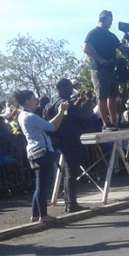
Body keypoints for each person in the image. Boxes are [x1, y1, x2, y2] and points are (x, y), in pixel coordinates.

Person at [14, 90, 68, 223]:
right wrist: (61, 112)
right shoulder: (30, 117)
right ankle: (43, 215)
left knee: (40, 184)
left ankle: (36, 214)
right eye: (33, 98)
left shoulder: (23, 116)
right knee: (43, 184)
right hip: (42, 151)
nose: (36, 101)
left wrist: (59, 114)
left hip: (34, 151)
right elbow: (51, 127)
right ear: (27, 101)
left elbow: (46, 125)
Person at [44, 79, 89, 213]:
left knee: (68, 172)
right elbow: (79, 116)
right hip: (70, 140)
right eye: (70, 87)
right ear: (63, 88)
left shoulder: (52, 102)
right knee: (71, 172)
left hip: (60, 140)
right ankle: (71, 204)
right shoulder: (64, 103)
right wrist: (85, 103)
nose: (72, 90)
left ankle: (69, 202)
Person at [83, 10, 122, 131]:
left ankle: (114, 122)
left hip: (111, 68)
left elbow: (120, 47)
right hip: (99, 68)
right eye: (109, 20)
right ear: (103, 19)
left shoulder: (111, 35)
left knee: (113, 95)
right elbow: (86, 48)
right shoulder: (94, 33)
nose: (111, 22)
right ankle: (106, 123)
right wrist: (100, 59)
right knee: (102, 95)